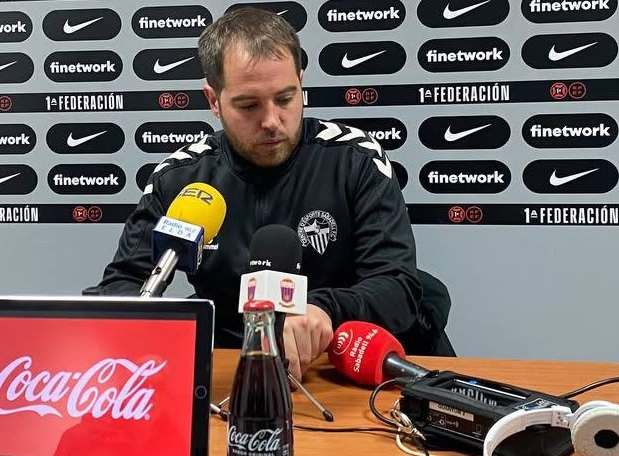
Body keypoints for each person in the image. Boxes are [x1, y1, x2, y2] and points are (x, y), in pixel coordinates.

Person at [95, 7, 422, 381]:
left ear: (301, 83)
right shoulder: (181, 178)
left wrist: (324, 309)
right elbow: (122, 287)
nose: (271, 121)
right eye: (248, 105)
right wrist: (169, 330)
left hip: (336, 374)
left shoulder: (355, 160)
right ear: (213, 101)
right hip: (228, 374)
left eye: (285, 99)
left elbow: (399, 287)